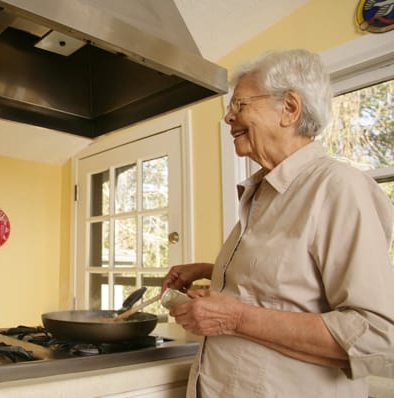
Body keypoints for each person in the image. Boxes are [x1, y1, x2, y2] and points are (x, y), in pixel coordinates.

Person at [162, 49, 394, 397]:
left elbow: (376, 335)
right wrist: (213, 271)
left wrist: (235, 318)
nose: (228, 117)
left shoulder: (338, 188)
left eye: (240, 105)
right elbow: (287, 284)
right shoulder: (262, 191)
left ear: (289, 109)